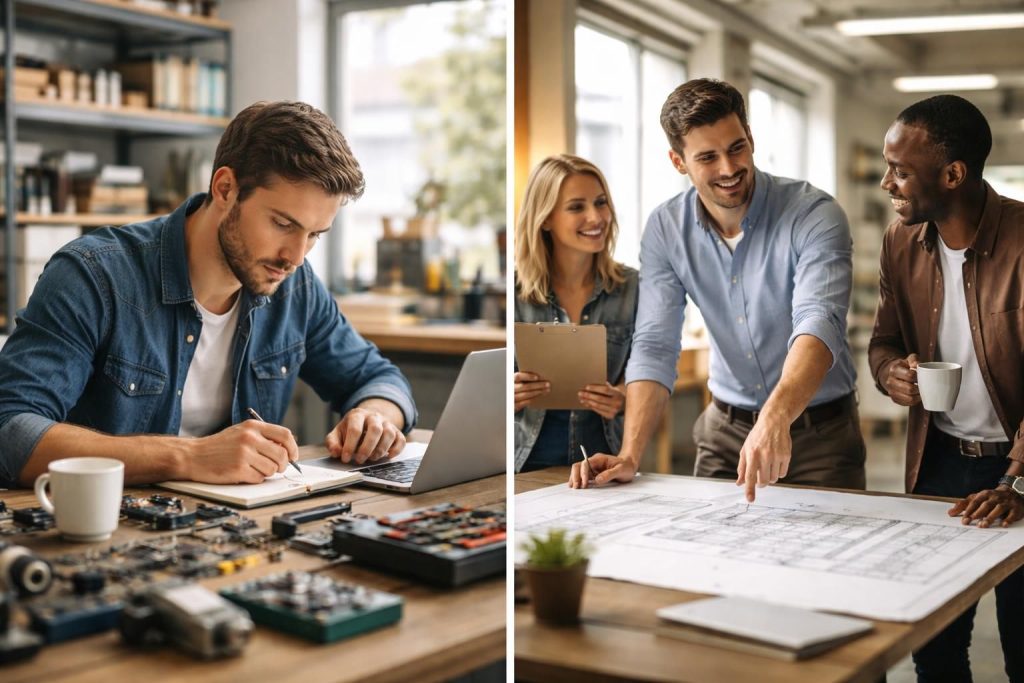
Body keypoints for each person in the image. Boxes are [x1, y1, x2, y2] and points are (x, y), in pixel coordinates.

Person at [0, 101, 416, 488]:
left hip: (232, 532)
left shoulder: (296, 284)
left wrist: (374, 417)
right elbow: (10, 429)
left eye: (314, 235)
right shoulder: (94, 275)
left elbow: (378, 378)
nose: (295, 255)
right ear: (225, 188)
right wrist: (188, 456)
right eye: (283, 224)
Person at [573, 78, 865, 501]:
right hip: (724, 433)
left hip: (820, 436)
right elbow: (655, 343)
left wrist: (775, 417)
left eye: (737, 148)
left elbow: (820, 321)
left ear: (750, 139)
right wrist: (630, 454)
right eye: (708, 157)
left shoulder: (814, 214)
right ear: (678, 161)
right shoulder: (665, 228)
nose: (728, 169)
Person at [870, 94, 1024, 682]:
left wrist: (1016, 481)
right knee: (934, 647)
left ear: (952, 174)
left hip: (1017, 469)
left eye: (900, 170)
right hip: (936, 468)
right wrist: (892, 376)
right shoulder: (900, 243)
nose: (889, 182)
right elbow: (882, 342)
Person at [514, 154, 638, 472]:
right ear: (545, 218)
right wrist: (506, 392)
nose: (595, 217)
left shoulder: (634, 287)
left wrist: (623, 397)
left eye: (600, 203)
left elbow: (650, 370)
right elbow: (482, 389)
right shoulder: (513, 291)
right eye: (576, 207)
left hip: (604, 460)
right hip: (526, 461)